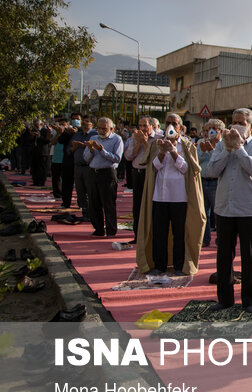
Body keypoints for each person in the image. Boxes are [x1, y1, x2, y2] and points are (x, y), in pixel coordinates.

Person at [203, 108, 252, 312]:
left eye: (242, 122)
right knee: (224, 255)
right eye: (234, 121)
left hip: (250, 208)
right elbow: (212, 171)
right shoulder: (223, 145)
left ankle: (250, 300)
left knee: (251, 256)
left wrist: (240, 148)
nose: (237, 125)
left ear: (250, 125)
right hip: (225, 207)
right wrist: (227, 149)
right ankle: (224, 298)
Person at [137, 112, 206, 276]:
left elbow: (187, 170)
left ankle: (178, 265)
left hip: (179, 197)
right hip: (159, 196)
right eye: (167, 122)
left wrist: (174, 152)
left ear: (181, 128)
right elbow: (153, 168)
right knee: (159, 233)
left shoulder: (187, 145)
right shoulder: (156, 144)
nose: (170, 126)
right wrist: (162, 152)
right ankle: (159, 265)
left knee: (179, 233)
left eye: (174, 123)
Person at [82, 117, 124, 237]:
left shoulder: (117, 139)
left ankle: (111, 230)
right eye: (99, 128)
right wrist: (90, 150)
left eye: (104, 128)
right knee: (93, 203)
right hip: (93, 173)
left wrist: (102, 150)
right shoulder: (93, 138)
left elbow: (117, 158)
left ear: (111, 129)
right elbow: (86, 158)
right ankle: (98, 229)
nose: (101, 130)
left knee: (108, 203)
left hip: (107, 173)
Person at [124, 115, 157, 245]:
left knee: (150, 205)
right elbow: (128, 156)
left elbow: (154, 157)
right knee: (137, 206)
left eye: (145, 126)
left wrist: (145, 142)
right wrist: (138, 143)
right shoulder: (135, 137)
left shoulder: (157, 138)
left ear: (152, 126)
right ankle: (137, 235)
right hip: (137, 173)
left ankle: (150, 236)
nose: (142, 129)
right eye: (140, 126)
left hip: (150, 174)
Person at [197, 119, 224, 247]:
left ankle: (221, 239)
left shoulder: (223, 144)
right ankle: (204, 239)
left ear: (220, 131)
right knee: (203, 213)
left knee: (218, 212)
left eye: (213, 129)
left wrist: (212, 150)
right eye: (207, 130)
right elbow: (196, 160)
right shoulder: (200, 143)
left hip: (216, 182)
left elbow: (219, 162)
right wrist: (203, 151)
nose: (209, 132)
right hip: (203, 180)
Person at [69, 115, 96, 218]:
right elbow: (70, 150)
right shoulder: (77, 135)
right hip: (78, 166)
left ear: (92, 124)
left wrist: (85, 145)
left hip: (89, 166)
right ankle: (84, 212)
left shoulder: (94, 135)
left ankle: (91, 213)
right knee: (80, 191)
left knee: (90, 190)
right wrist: (74, 147)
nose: (84, 123)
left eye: (87, 122)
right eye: (83, 121)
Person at [49, 117, 68, 201]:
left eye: (63, 125)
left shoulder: (69, 134)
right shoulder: (55, 133)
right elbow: (52, 142)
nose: (61, 126)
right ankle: (57, 194)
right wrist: (58, 134)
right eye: (60, 125)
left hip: (65, 159)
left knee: (65, 178)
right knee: (56, 178)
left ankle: (65, 194)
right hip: (56, 158)